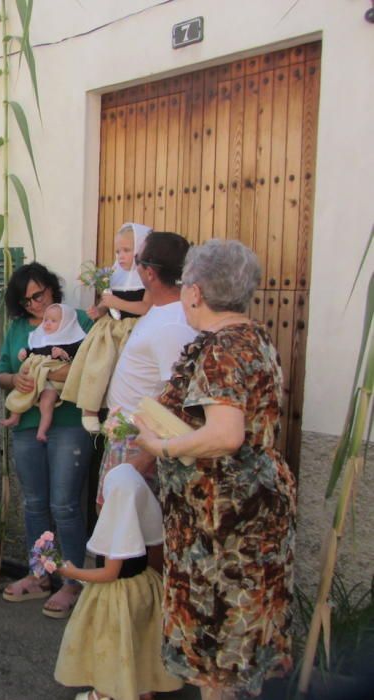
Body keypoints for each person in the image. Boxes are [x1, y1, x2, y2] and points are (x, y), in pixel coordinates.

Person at [132, 240, 295, 699]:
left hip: (223, 524)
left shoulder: (222, 349)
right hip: (253, 512)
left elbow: (226, 434)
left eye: (185, 285)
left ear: (196, 292)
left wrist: (162, 447)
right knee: (239, 650)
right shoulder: (255, 338)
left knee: (219, 656)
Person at [0, 263, 94, 619]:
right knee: (35, 503)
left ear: (53, 289)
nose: (35, 305)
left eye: (39, 295)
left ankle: (71, 581)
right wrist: (16, 380)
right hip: (27, 426)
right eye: (26, 301)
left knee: (65, 504)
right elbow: (2, 373)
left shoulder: (80, 320)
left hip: (69, 422)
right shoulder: (18, 330)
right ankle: (40, 575)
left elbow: (97, 365)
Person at [54, 463, 182, 700]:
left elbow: (109, 574)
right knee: (141, 640)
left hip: (117, 596)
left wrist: (72, 572)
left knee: (112, 643)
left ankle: (104, 692)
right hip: (145, 588)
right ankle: (144, 688)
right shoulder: (140, 521)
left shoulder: (119, 532)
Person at [95, 231, 197, 506]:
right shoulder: (160, 309)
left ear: (149, 273)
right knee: (114, 522)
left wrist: (147, 456)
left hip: (142, 441)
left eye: (137, 259)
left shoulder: (173, 324)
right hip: (129, 435)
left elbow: (178, 396)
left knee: (127, 530)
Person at [63, 222, 153, 433]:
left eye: (127, 251)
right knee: (96, 362)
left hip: (134, 327)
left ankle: (122, 412)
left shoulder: (146, 279)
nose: (120, 256)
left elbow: (145, 307)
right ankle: (90, 409)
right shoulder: (115, 274)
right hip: (111, 328)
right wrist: (100, 310)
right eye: (118, 251)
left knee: (123, 371)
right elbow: (109, 302)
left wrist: (115, 304)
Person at [0, 303, 86, 441]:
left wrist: (62, 353)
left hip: (50, 382)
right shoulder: (41, 337)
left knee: (47, 402)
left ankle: (42, 430)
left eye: (53, 321)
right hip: (33, 378)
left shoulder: (71, 341)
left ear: (66, 323)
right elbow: (34, 350)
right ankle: (15, 417)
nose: (47, 324)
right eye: (46, 320)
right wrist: (25, 353)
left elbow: (74, 359)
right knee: (21, 393)